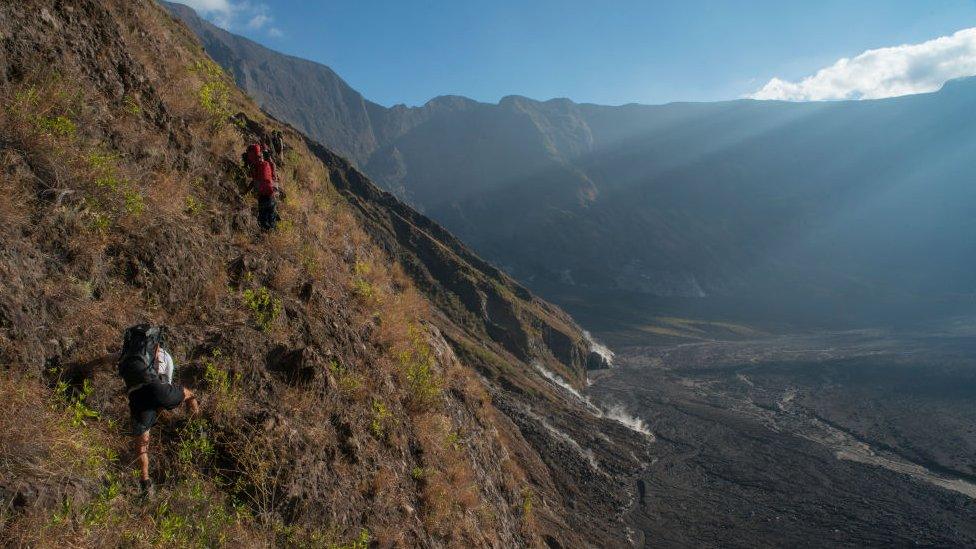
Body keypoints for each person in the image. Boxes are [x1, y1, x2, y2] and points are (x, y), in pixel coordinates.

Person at [118, 324, 200, 495]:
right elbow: (166, 386)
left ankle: (145, 482)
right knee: (188, 394)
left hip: (136, 395)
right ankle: (197, 423)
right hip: (155, 388)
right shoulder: (165, 355)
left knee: (141, 444)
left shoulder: (128, 355)